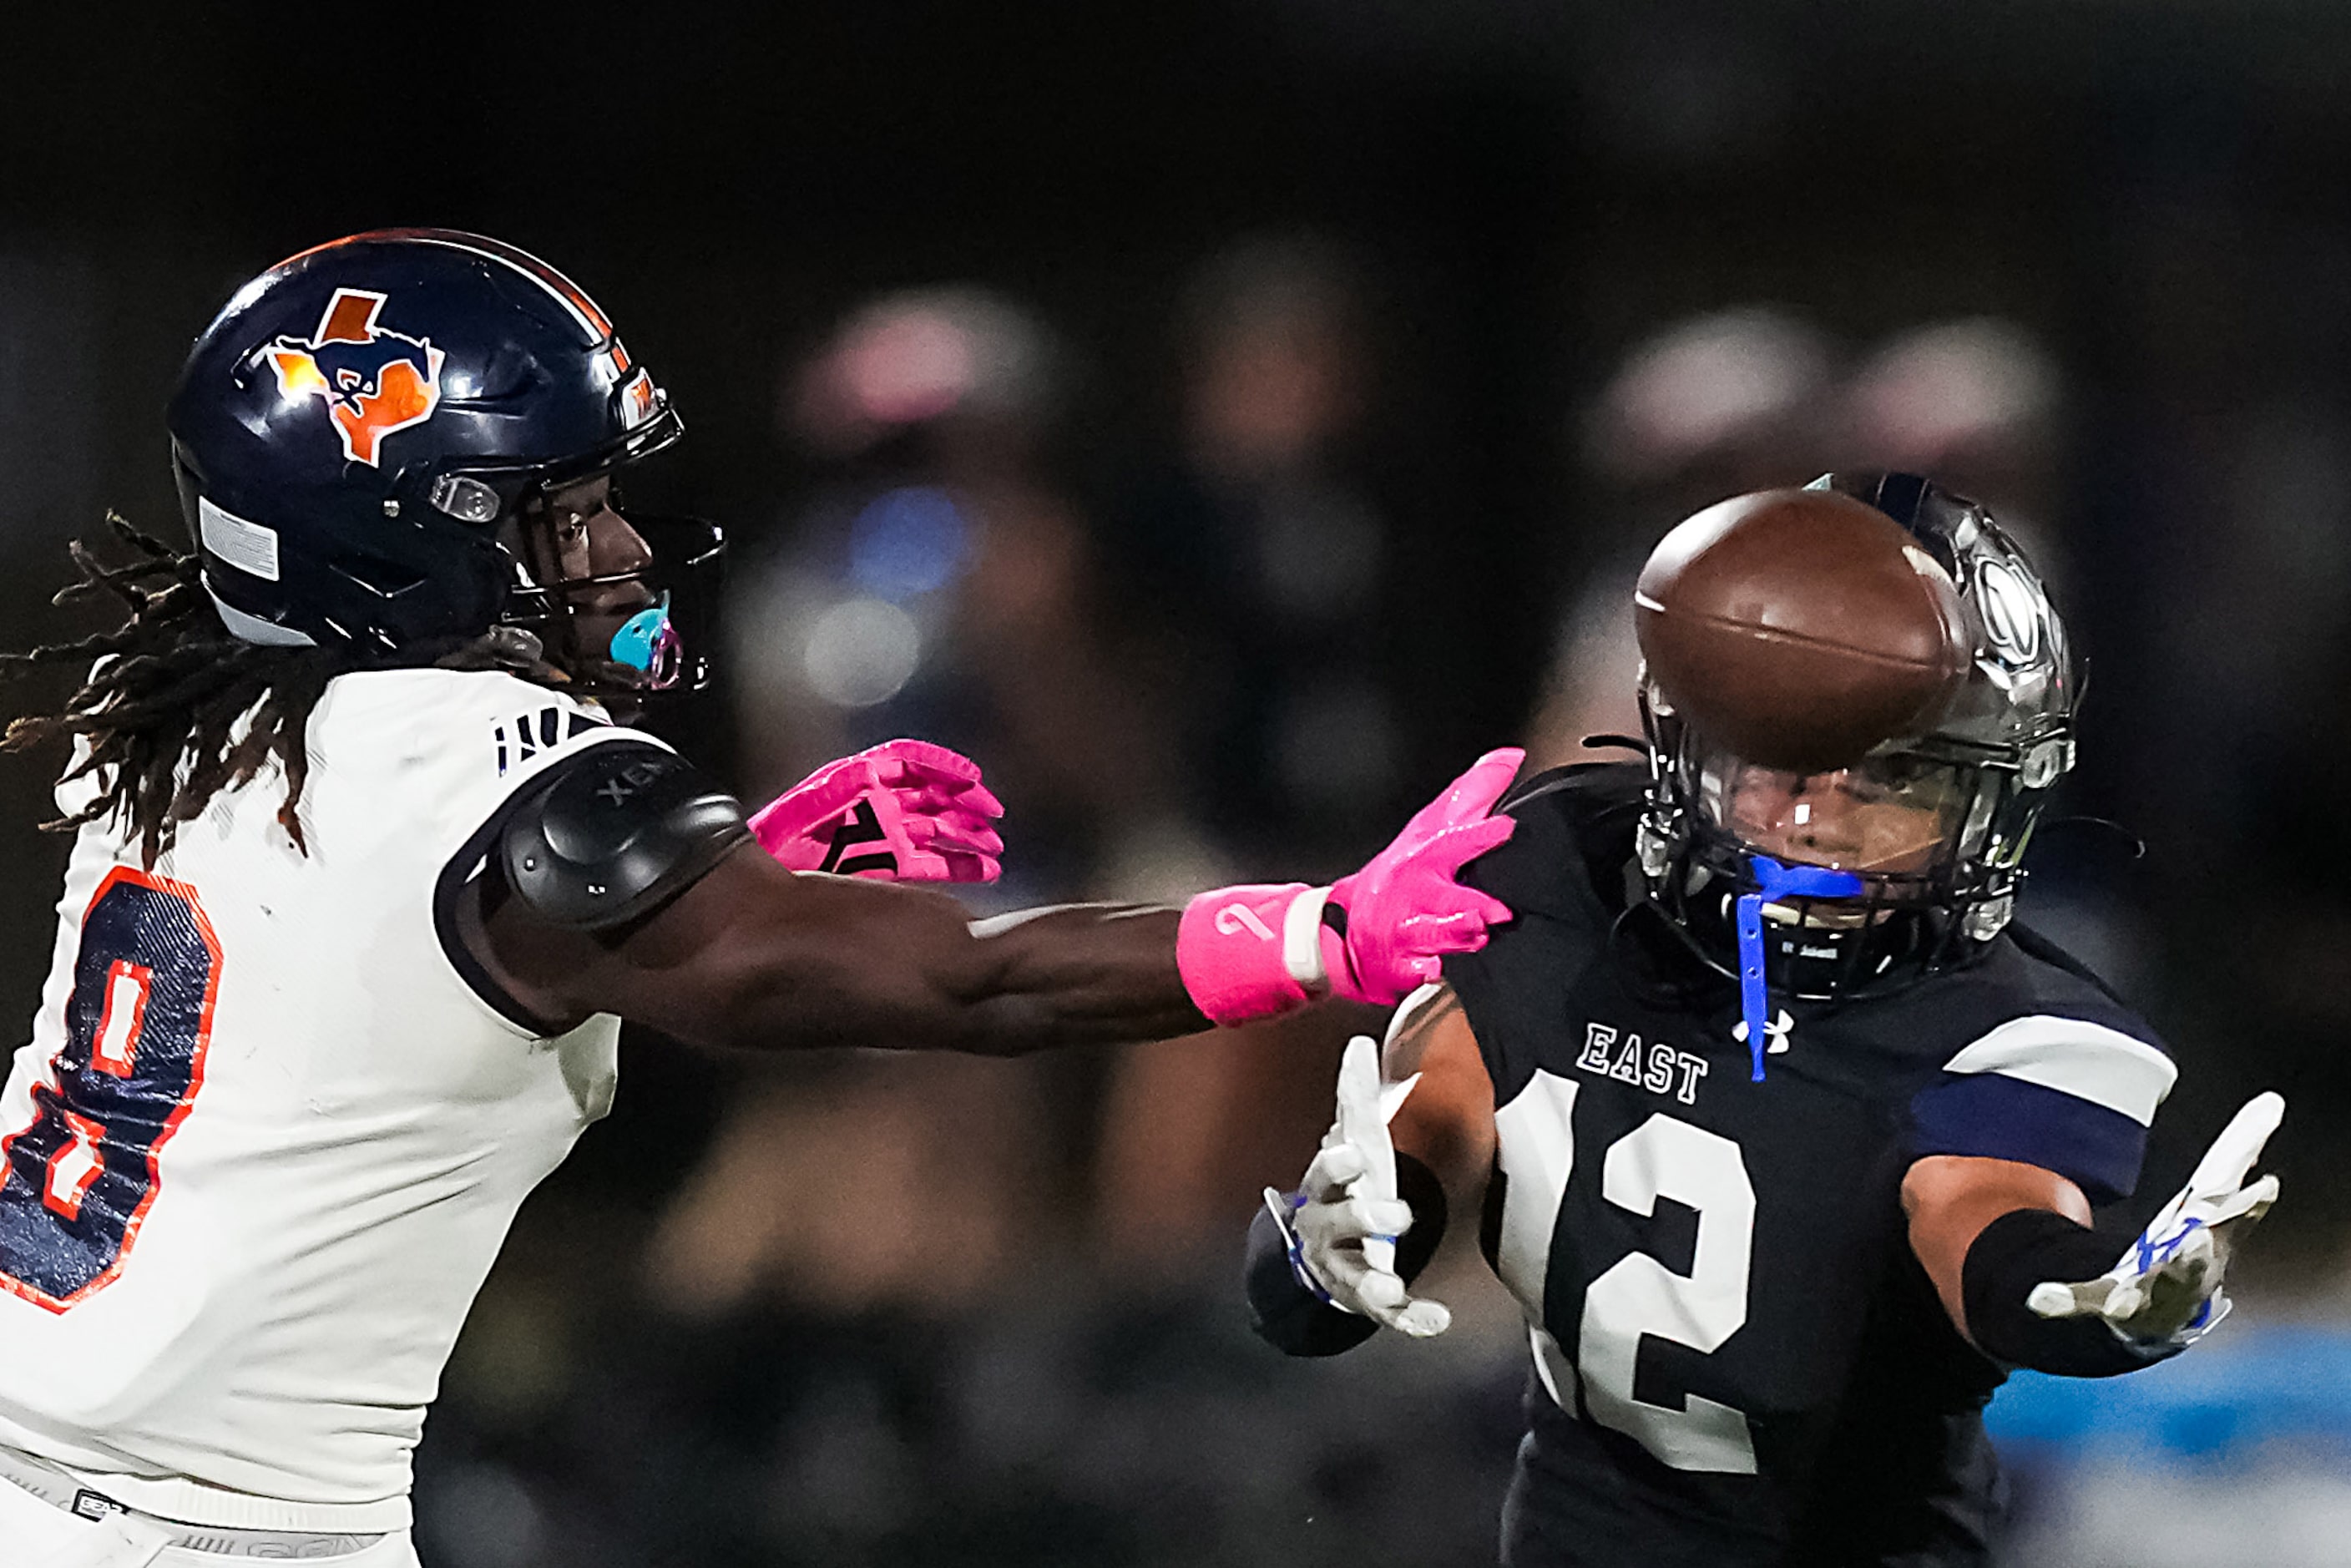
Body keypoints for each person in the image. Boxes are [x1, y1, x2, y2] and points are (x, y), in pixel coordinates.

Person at [0, 230, 1522, 1568]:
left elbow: (395, 982)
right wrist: (1316, 931)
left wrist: (722, 876)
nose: (616, 549)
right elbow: (956, 982)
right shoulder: (461, 758)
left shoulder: (189, 721)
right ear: (408, 538)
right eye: (561, 512)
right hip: (200, 1520)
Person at [1246, 473, 2283, 1566]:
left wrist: (2083, 1300)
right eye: (1785, 760)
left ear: (1985, 807)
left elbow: (1977, 1218)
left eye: (1893, 777)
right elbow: (1435, 1117)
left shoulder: (2012, 1026)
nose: (1818, 818)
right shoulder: (1558, 877)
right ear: (1698, 739)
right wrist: (1349, 1230)